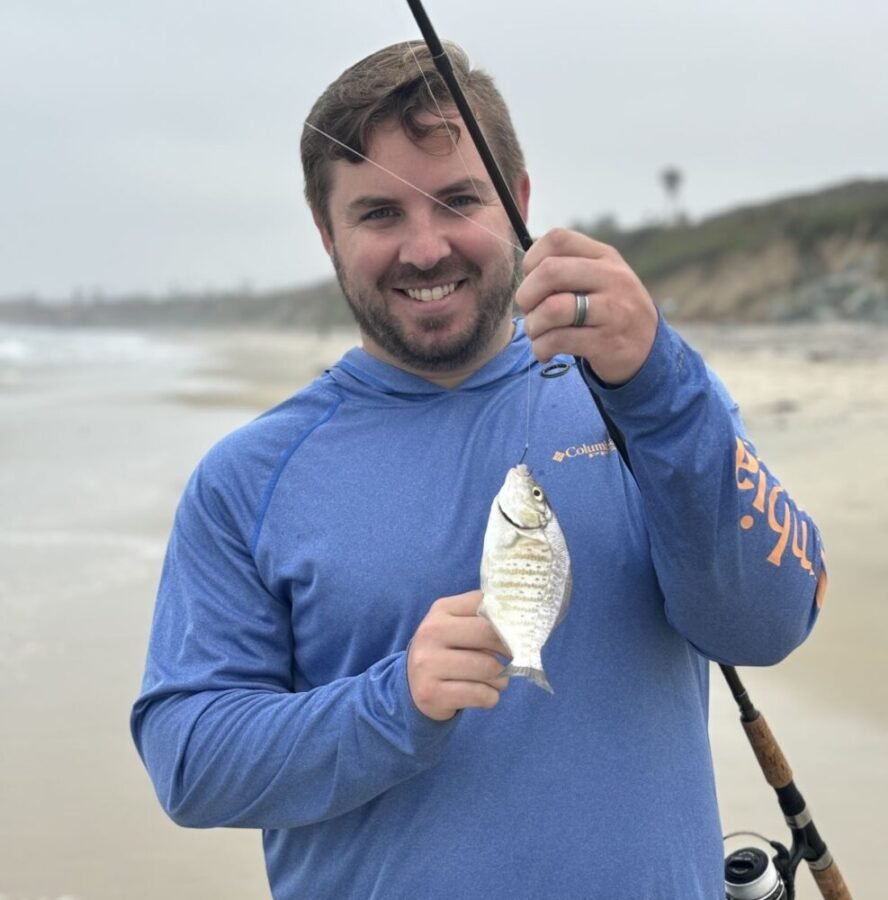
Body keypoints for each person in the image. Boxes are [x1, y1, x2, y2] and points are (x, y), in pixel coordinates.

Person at [131, 41, 827, 899]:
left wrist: (664, 387)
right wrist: (391, 705)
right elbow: (189, 760)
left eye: (458, 199)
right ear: (327, 233)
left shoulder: (645, 396)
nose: (425, 250)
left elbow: (774, 620)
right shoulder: (247, 479)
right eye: (379, 214)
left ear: (519, 202)